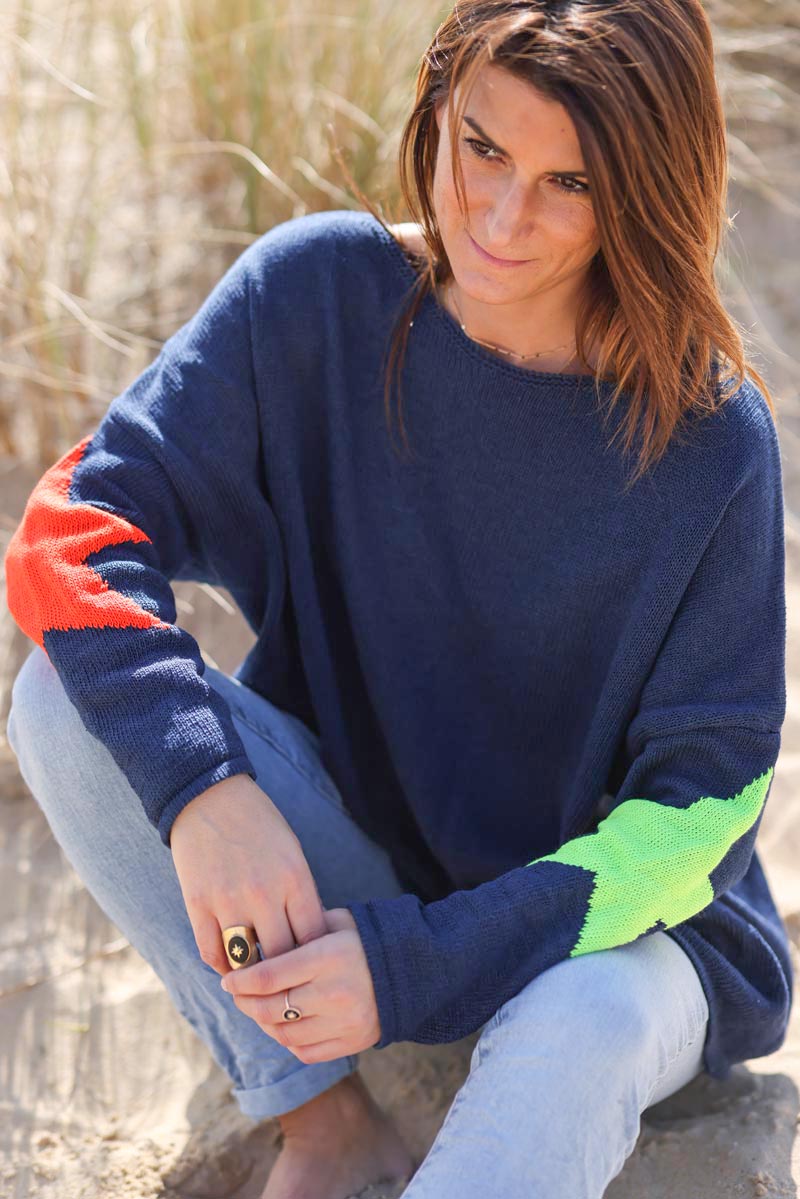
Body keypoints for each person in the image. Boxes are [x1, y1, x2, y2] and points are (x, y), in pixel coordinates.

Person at [4, 1, 792, 1196]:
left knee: (574, 1020)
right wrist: (204, 789)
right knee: (67, 697)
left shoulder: (707, 441)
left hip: (610, 943)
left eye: (567, 182)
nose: (500, 215)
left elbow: (700, 812)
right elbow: (73, 528)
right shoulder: (315, 294)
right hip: (367, 904)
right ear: (437, 101)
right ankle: (325, 1122)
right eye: (480, 146)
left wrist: (427, 961)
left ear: (643, 190)